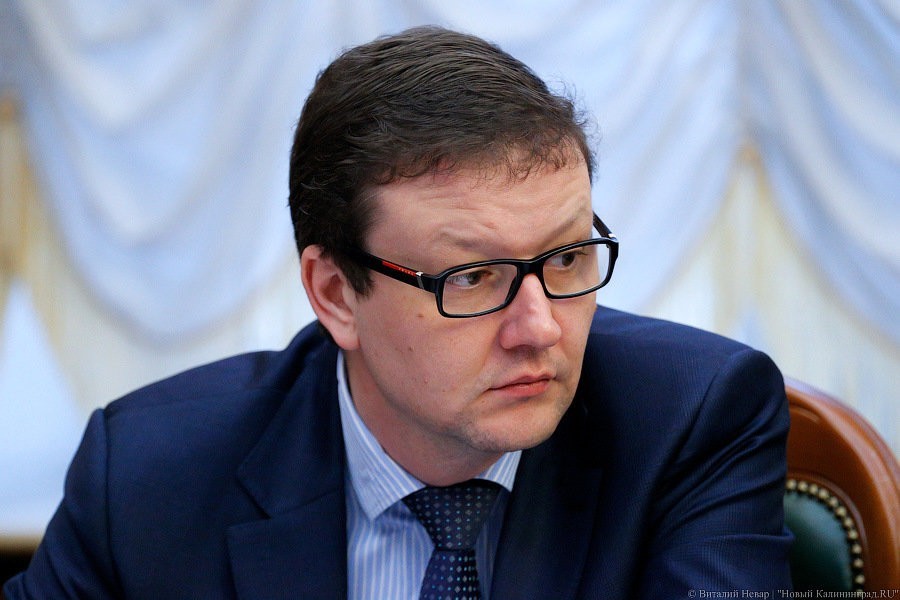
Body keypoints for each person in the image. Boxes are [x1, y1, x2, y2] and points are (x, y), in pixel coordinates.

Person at [3, 26, 792, 599]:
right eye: (473, 278)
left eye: (565, 261)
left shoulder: (690, 420)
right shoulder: (148, 476)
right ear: (335, 294)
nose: (541, 327)